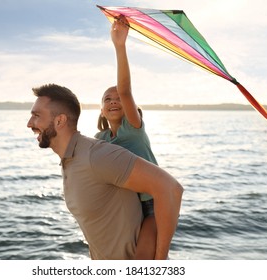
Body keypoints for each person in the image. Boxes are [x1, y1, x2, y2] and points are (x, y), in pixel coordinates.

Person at [27, 83, 183, 260]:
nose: (29, 123)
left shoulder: (97, 155)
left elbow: (171, 189)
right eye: (107, 100)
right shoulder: (75, 157)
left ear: (60, 120)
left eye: (36, 116)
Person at [95, 16, 158, 259]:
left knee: (143, 260)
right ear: (101, 109)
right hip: (123, 207)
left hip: (151, 205)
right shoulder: (100, 138)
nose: (113, 101)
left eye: (117, 98)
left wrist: (119, 45)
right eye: (107, 99)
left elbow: (125, 90)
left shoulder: (133, 126)